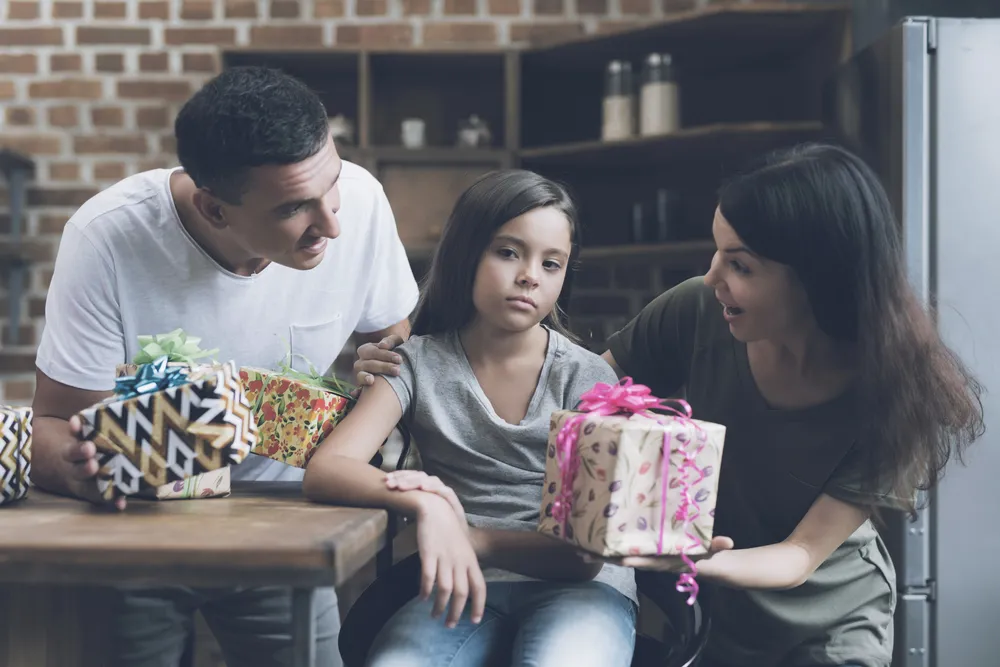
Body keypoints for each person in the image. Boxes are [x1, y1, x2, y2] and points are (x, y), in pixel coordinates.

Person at [353, 143, 986, 667]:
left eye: (739, 264)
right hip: (714, 611)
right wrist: (411, 358)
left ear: (815, 276)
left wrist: (680, 556)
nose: (713, 277)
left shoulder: (897, 395)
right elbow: (573, 405)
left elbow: (798, 558)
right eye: (717, 252)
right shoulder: (698, 310)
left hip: (826, 622)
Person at [31, 66, 419, 667]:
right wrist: (79, 466)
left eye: (332, 186)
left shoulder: (361, 202)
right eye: (295, 208)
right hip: (137, 522)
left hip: (287, 521)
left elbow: (397, 348)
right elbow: (53, 424)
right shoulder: (108, 237)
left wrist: (378, 381)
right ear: (214, 210)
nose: (332, 225)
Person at [303, 169, 638, 667]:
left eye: (552, 263)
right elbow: (328, 468)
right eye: (508, 252)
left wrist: (470, 538)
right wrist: (428, 502)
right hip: (455, 586)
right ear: (467, 252)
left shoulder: (585, 378)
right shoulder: (416, 362)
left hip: (581, 591)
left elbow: (583, 559)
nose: (530, 275)